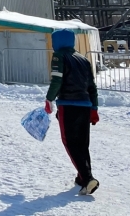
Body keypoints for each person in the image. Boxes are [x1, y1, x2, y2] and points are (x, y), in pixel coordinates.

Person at [45, 28, 99, 195]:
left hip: (68, 104)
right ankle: (82, 177)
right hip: (85, 105)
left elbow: (57, 79)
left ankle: (88, 178)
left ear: (57, 42)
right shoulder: (83, 59)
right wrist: (94, 108)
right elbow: (92, 86)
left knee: (70, 142)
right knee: (82, 143)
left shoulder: (59, 56)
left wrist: (49, 99)